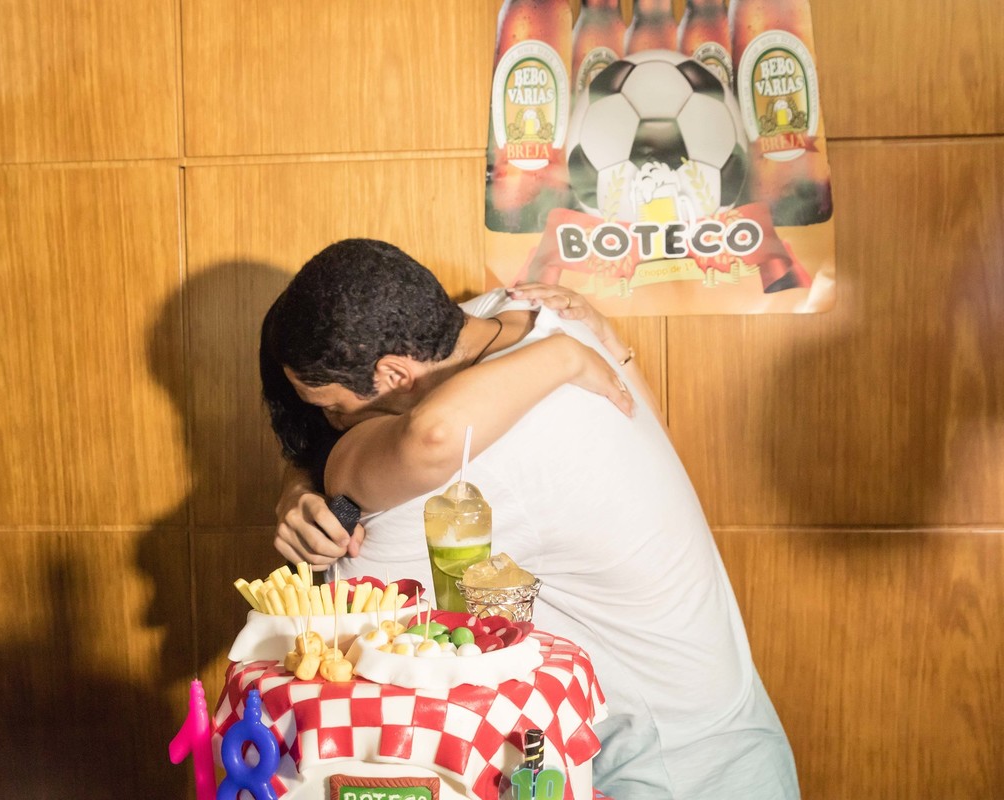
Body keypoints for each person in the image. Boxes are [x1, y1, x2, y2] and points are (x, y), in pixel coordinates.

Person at [260, 238, 801, 799]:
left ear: (396, 374)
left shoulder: (467, 460)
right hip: (720, 730)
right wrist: (297, 482)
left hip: (673, 767)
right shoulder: (525, 314)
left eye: (329, 407)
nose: (331, 423)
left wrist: (320, 489)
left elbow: (346, 632)